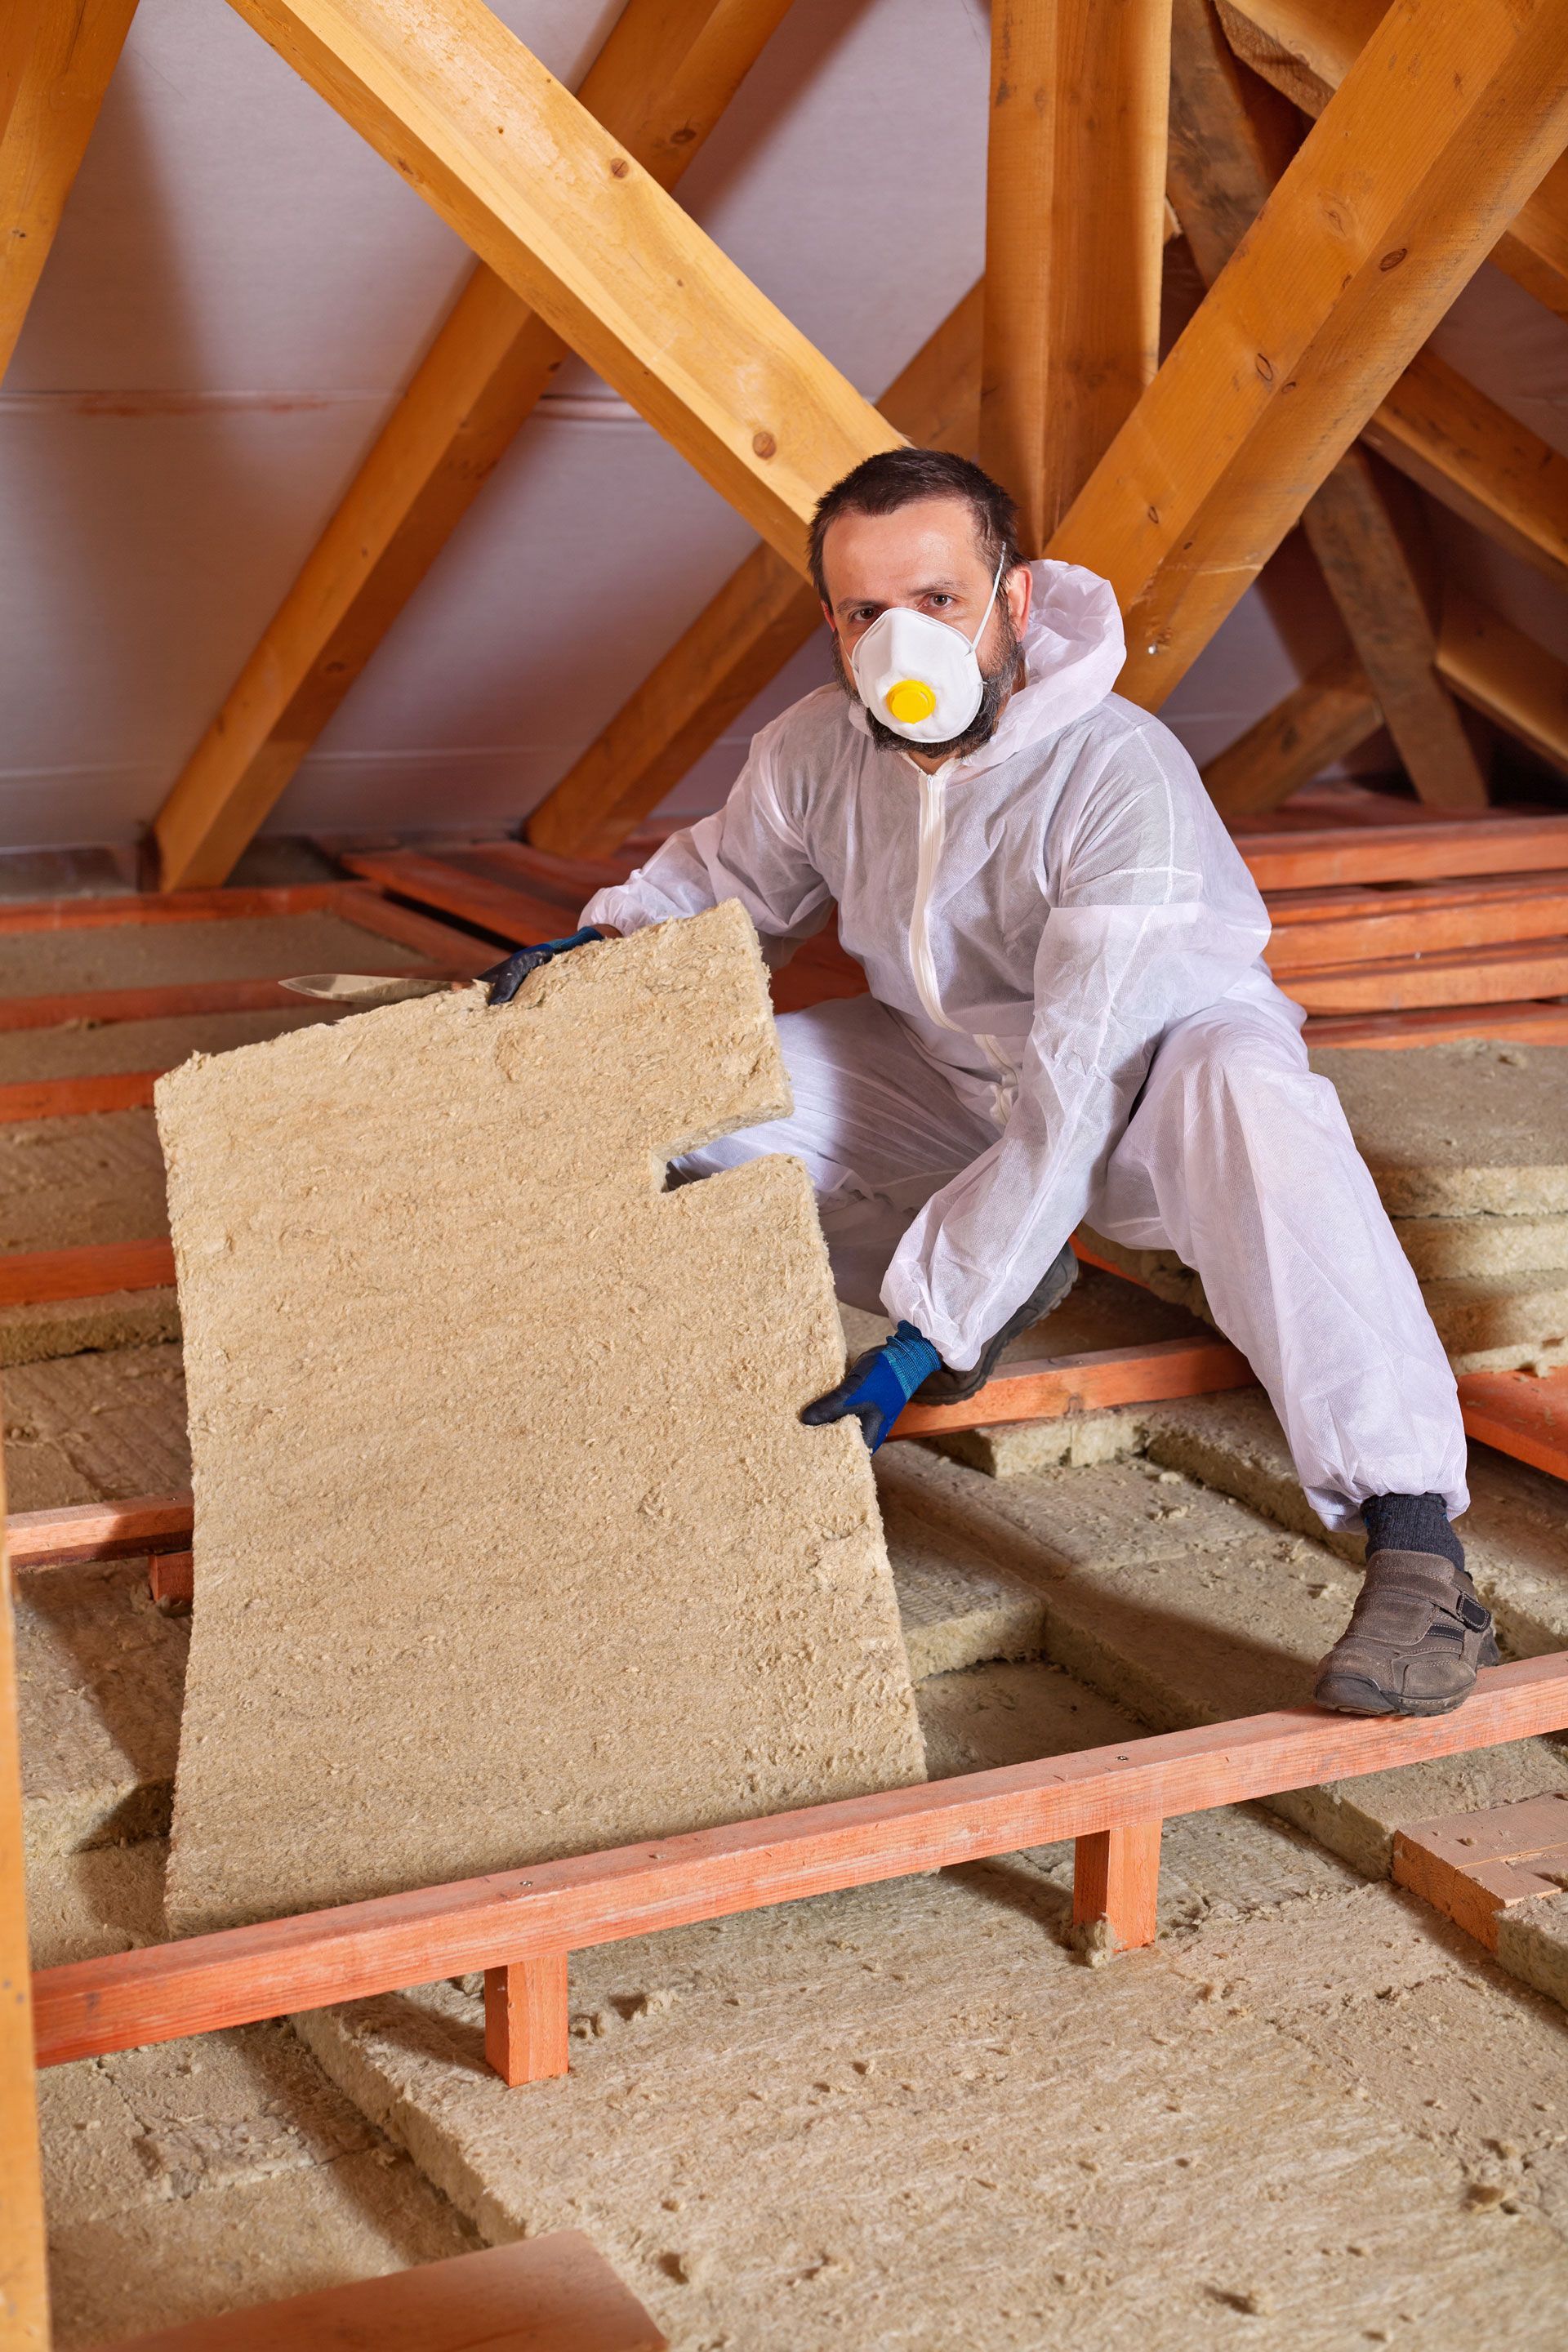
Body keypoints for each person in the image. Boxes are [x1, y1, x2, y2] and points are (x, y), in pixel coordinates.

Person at [483, 448, 1491, 1722]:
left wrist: (927, 1333)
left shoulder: (1114, 776)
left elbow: (1079, 1082)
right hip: (949, 1073)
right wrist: (607, 952)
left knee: (1256, 1097)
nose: (903, 638)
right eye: (866, 612)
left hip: (1147, 1096)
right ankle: (991, 1272)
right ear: (835, 625)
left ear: (1013, 602)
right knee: (673, 1103)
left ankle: (1417, 1547)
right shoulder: (815, 751)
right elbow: (715, 890)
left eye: (940, 599)